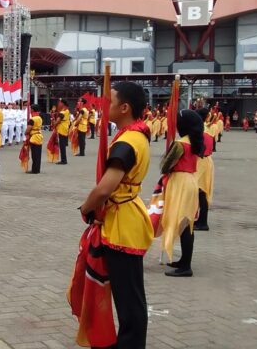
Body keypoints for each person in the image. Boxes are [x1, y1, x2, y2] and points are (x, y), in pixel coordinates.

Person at [78, 81, 152, 348]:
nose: (105, 106)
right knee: (128, 295)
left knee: (128, 299)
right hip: (124, 216)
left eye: (110, 101)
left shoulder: (128, 142)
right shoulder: (134, 135)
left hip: (123, 224)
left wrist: (86, 207)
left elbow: (105, 188)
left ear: (124, 107)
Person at [161, 109, 205, 278]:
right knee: (186, 223)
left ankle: (186, 265)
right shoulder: (194, 142)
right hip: (190, 181)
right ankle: (184, 261)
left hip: (180, 183)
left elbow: (165, 166)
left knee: (184, 224)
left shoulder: (180, 144)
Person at [194, 108, 215, 232]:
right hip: (204, 160)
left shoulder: (201, 131)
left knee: (201, 191)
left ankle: (203, 221)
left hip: (202, 161)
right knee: (201, 191)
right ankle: (201, 219)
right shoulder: (204, 129)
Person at [26, 104, 43, 174]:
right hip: (39, 136)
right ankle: (37, 169)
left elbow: (28, 129)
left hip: (34, 137)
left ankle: (34, 170)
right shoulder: (39, 118)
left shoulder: (32, 119)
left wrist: (26, 133)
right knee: (38, 155)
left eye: (31, 109)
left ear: (32, 110)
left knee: (34, 155)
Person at [56, 99, 71, 164]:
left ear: (63, 104)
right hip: (65, 128)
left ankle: (63, 160)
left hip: (62, 129)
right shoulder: (67, 111)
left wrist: (54, 123)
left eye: (60, 103)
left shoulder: (62, 112)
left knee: (62, 145)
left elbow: (58, 121)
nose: (59, 104)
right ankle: (63, 159)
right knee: (63, 145)